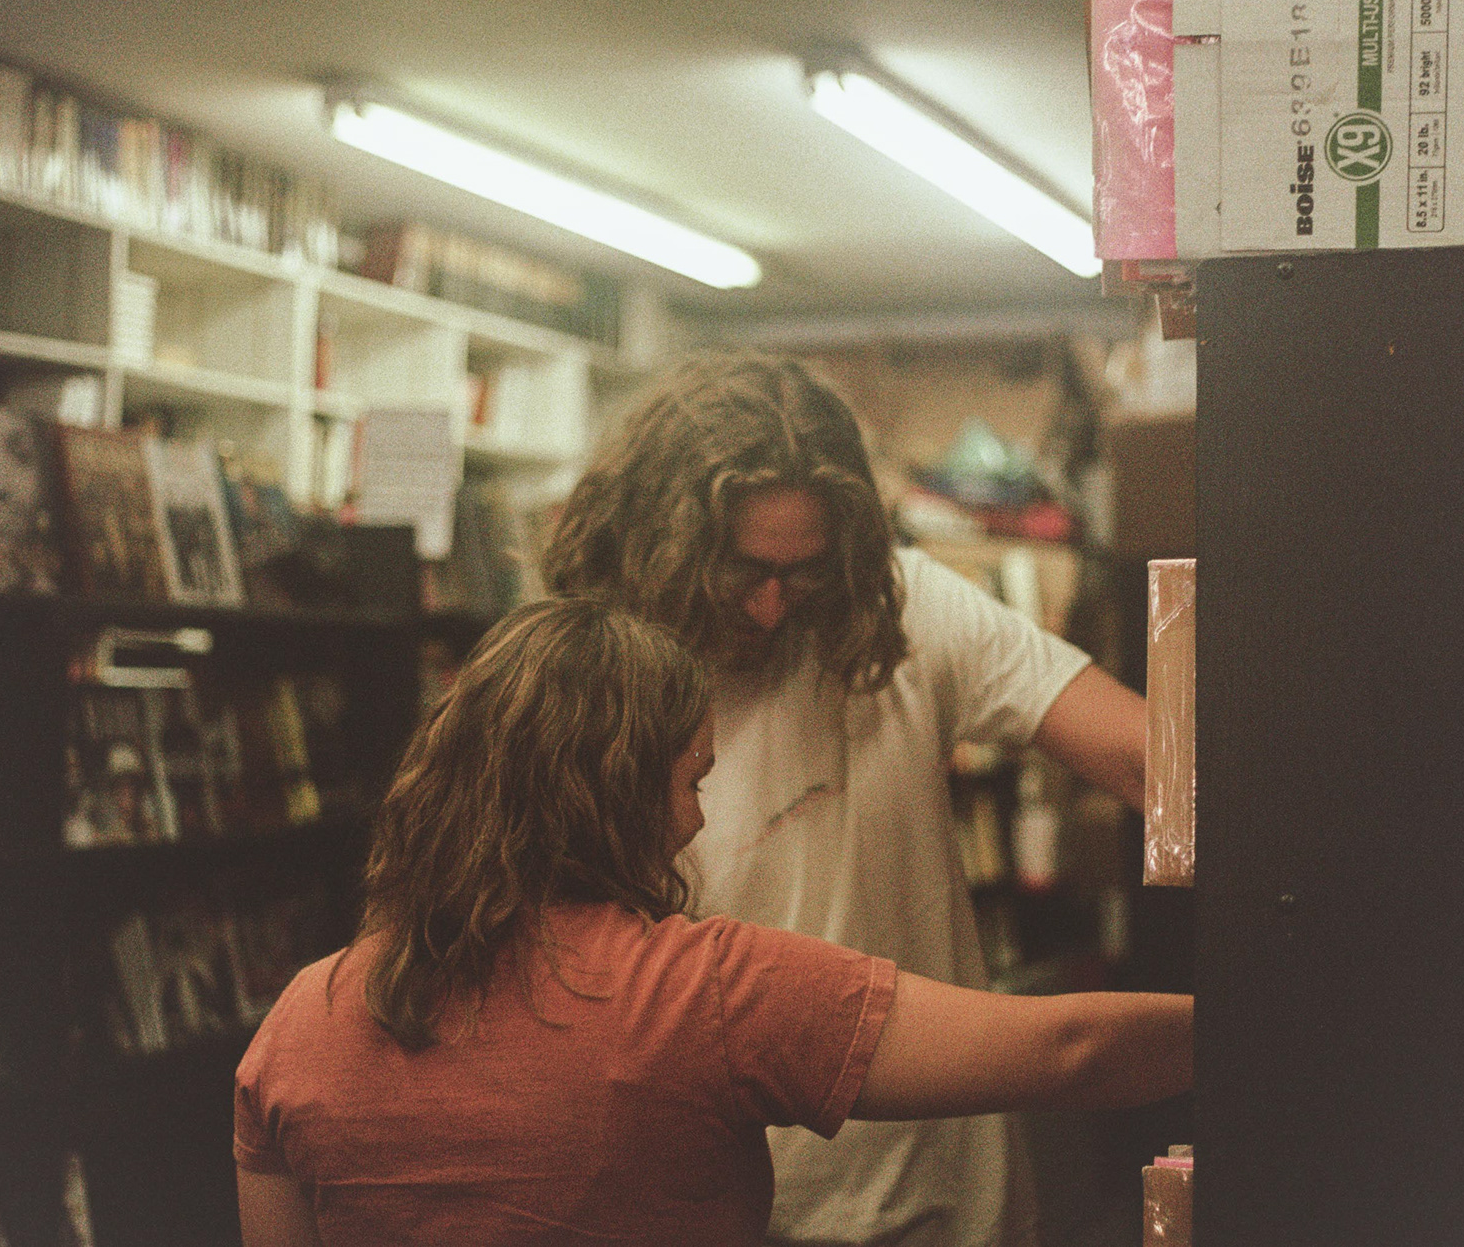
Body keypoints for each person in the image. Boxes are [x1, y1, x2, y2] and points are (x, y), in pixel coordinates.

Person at [234, 598, 1191, 1245]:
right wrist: (1278, 1018)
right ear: (609, 790)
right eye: (691, 780)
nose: (697, 819)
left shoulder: (300, 1022)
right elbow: (1070, 1048)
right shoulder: (704, 990)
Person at [542, 354, 1151, 1246]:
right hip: (721, 1206)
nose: (772, 605)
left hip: (942, 1198)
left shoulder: (908, 606)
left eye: (807, 571)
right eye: (744, 571)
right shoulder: (585, 687)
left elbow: (1152, 760)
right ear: (663, 544)